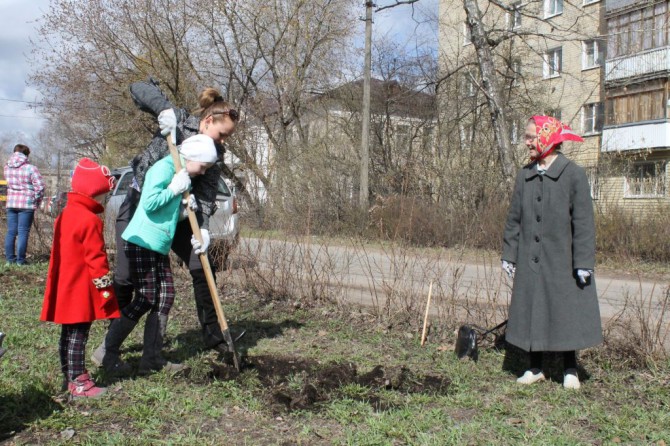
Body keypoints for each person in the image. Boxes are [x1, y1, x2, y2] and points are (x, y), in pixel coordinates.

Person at [92, 79, 239, 366]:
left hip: (176, 212)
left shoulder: (214, 155)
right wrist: (163, 110)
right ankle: (111, 345)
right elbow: (138, 88)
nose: (223, 143)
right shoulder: (180, 121)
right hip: (142, 206)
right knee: (124, 278)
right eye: (222, 135)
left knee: (199, 265)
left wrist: (204, 227)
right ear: (208, 121)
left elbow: (207, 193)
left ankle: (213, 336)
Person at [99, 134, 218, 375]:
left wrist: (186, 210)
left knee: (166, 296)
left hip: (158, 244)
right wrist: (174, 188)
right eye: (203, 166)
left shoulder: (183, 174)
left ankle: (151, 359)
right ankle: (106, 351)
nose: (204, 172)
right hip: (142, 241)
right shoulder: (164, 169)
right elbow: (150, 203)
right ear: (193, 157)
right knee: (145, 298)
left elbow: (166, 213)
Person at [501, 115, 603, 390]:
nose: (527, 142)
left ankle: (570, 369)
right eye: (526, 136)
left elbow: (583, 223)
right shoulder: (526, 174)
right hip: (530, 259)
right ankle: (535, 367)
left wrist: (583, 262)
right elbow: (514, 219)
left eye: (531, 137)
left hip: (563, 260)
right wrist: (509, 253)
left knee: (564, 310)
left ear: (548, 138)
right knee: (533, 308)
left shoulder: (574, 174)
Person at [40, 158, 120, 398]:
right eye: (104, 195)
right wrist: (106, 290)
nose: (104, 200)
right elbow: (97, 259)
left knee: (68, 333)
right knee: (79, 335)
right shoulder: (89, 219)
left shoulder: (66, 214)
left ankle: (68, 376)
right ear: (95, 193)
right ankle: (79, 381)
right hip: (82, 289)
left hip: (65, 284)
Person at [4, 144, 45, 265]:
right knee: (23, 232)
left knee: (11, 232)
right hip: (26, 204)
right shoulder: (31, 168)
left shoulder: (7, 167)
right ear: (26, 154)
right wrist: (36, 200)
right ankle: (20, 260)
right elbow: (40, 187)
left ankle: (9, 260)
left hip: (11, 202)